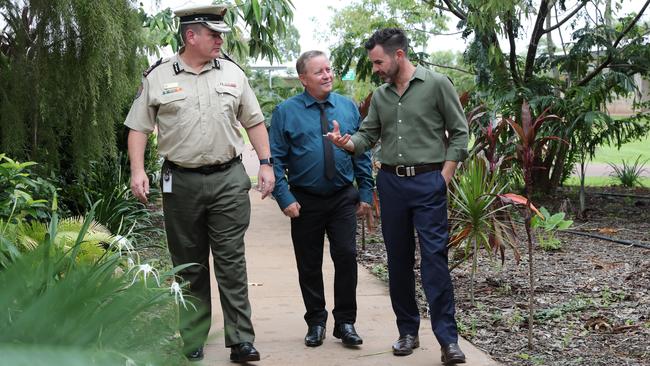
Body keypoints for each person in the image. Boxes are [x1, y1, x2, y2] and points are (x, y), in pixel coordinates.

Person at [124, 4, 274, 363]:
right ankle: (193, 335)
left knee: (231, 262)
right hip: (182, 182)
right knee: (189, 264)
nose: (220, 39)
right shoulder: (158, 77)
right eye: (213, 34)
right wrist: (137, 170)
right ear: (191, 36)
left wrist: (266, 164)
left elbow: (253, 121)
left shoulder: (233, 74)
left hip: (227, 179)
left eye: (220, 33)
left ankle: (240, 340)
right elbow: (138, 127)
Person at [327, 28, 469, 365]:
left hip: (428, 183)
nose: (375, 68)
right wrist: (346, 143)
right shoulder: (381, 96)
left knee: (435, 261)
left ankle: (448, 341)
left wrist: (442, 179)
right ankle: (407, 331)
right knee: (399, 260)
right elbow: (367, 135)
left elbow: (460, 133)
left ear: (399, 55)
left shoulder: (436, 84)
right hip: (391, 184)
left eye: (378, 62)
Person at [269, 50, 374, 348]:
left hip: (342, 197)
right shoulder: (285, 112)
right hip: (304, 201)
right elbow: (276, 159)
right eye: (319, 72)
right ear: (303, 79)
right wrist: (284, 196)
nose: (327, 75)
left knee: (346, 256)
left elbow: (361, 151)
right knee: (309, 263)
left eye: (329, 69)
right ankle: (316, 322)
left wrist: (365, 191)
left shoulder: (347, 107)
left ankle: (345, 322)